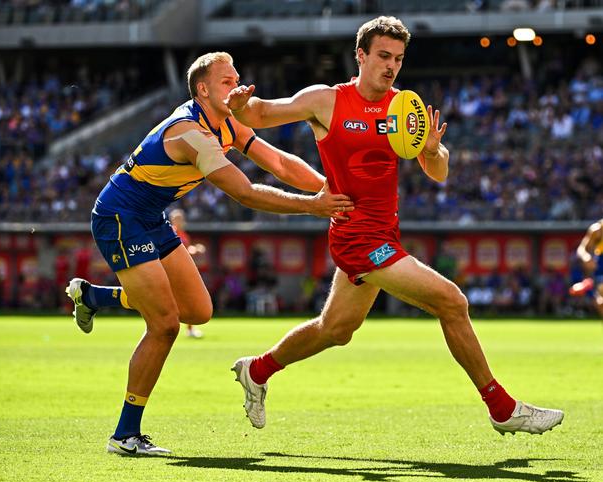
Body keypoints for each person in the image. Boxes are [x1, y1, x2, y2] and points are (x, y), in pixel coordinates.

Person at [225, 16, 563, 436]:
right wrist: (240, 106)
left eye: (399, 59)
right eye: (383, 56)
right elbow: (261, 113)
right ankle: (501, 407)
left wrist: (435, 151)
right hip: (356, 237)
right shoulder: (326, 100)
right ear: (361, 55)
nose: (391, 66)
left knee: (336, 330)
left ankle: (256, 370)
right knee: (452, 302)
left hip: (384, 234)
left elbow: (437, 171)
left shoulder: (404, 107)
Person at [65, 51, 354, 456]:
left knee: (198, 311)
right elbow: (245, 192)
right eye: (226, 81)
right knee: (164, 323)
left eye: (237, 77)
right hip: (120, 217)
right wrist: (313, 206)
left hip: (150, 216)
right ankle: (125, 435)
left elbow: (278, 163)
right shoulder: (191, 133)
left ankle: (93, 296)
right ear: (203, 89)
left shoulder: (227, 123)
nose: (236, 85)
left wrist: (328, 188)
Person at [169, 208, 206, 338]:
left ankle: (189, 329)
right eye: (177, 218)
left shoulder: (183, 234)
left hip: (181, 270)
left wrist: (194, 249)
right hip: (173, 271)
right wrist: (194, 250)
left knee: (188, 299)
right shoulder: (171, 232)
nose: (180, 221)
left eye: (181, 218)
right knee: (180, 300)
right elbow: (177, 251)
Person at [569, 218, 603, 317]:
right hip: (601, 266)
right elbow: (582, 249)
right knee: (601, 301)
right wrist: (586, 257)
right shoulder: (598, 230)